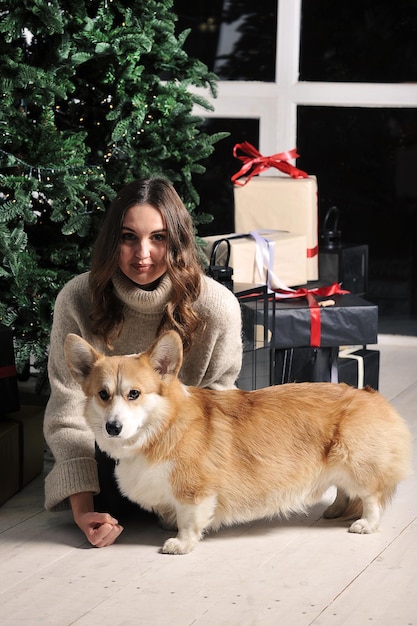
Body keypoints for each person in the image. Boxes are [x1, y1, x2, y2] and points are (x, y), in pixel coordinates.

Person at [43, 176, 243, 547]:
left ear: (178, 242)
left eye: (159, 238)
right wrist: (83, 511)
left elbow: (221, 408)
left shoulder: (216, 308)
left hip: (181, 462)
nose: (143, 254)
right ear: (112, 242)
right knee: (113, 492)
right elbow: (67, 411)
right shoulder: (76, 299)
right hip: (107, 457)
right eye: (128, 237)